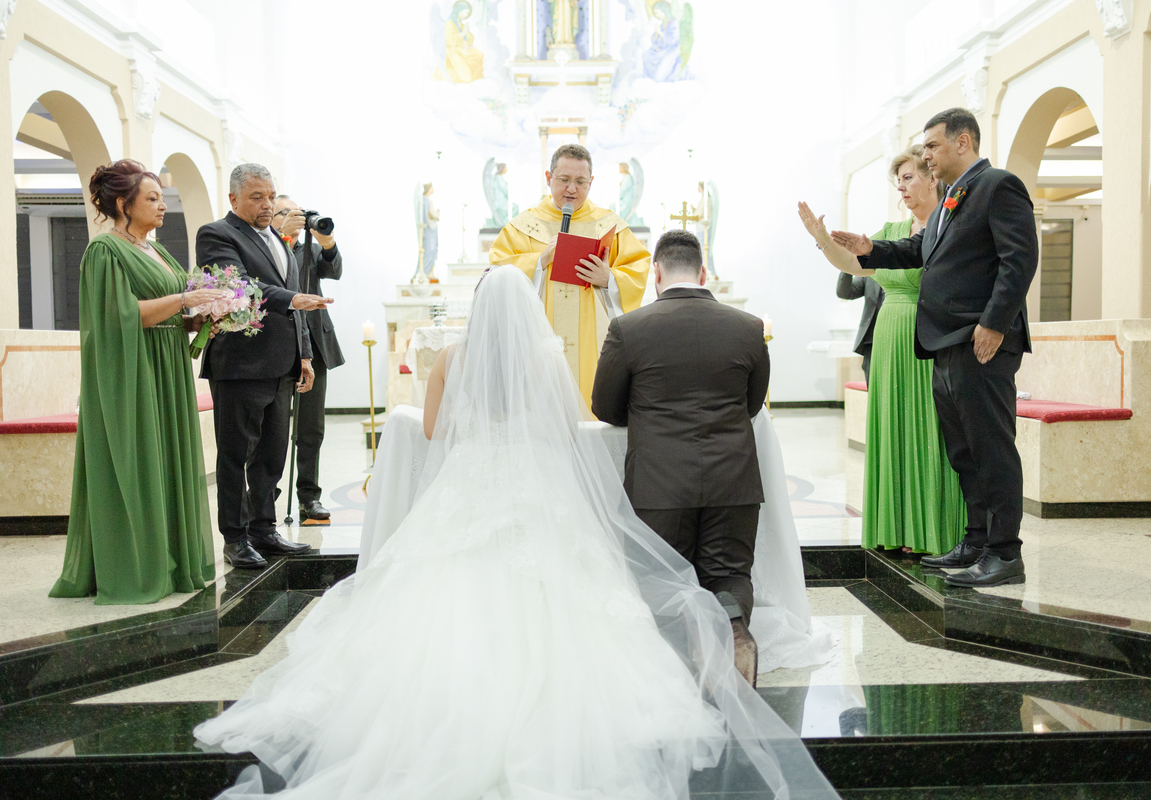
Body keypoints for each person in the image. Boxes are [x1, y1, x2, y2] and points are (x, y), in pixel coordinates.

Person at [194, 264, 837, 800]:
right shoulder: (543, 354)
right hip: (536, 490)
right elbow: (566, 428)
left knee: (440, 586)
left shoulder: (450, 354)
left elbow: (437, 433)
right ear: (527, 312)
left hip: (468, 488)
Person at [830, 108, 1038, 587]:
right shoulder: (950, 201)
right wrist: (869, 248)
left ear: (963, 142)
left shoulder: (997, 186)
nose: (926, 155)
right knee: (963, 450)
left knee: (992, 449)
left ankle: (1005, 553)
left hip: (980, 342)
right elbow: (916, 253)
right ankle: (976, 540)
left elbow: (1019, 260)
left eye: (932, 147)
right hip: (945, 344)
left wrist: (994, 324)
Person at [591, 230, 769, 686]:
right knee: (729, 570)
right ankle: (732, 628)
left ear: (656, 274)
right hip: (733, 478)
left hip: (660, 483)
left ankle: (679, 663)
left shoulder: (629, 329)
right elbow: (751, 405)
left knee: (663, 575)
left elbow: (605, 408)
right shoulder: (748, 327)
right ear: (703, 272)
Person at [50, 160, 224, 605]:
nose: (163, 205)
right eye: (152, 198)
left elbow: (165, 314)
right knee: (140, 457)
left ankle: (173, 557)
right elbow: (120, 317)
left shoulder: (158, 251)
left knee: (168, 457)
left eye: (162, 198)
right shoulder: (105, 251)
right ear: (123, 204)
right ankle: (135, 565)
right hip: (134, 369)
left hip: (166, 366)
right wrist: (185, 298)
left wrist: (197, 319)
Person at [800, 146, 967, 557]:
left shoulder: (950, 227)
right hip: (891, 339)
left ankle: (936, 532)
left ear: (932, 178)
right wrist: (822, 239)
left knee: (931, 431)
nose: (903, 187)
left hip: (929, 336)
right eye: (899, 180)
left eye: (909, 177)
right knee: (893, 430)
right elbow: (856, 266)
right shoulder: (893, 230)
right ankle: (899, 529)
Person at [196, 164, 333, 570]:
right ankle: (235, 538)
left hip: (281, 364)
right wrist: (292, 299)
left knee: (272, 456)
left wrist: (304, 356)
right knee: (236, 455)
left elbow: (296, 307)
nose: (267, 204)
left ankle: (264, 529)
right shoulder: (217, 234)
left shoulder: (277, 237)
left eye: (270, 196)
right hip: (239, 364)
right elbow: (237, 286)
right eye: (257, 197)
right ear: (234, 199)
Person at [489, 143, 650, 403]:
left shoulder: (610, 225)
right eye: (564, 180)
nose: (572, 189)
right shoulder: (522, 227)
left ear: (591, 182)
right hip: (537, 344)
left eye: (580, 181)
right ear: (548, 178)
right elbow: (497, 275)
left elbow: (638, 271)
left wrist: (608, 279)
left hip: (593, 344)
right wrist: (539, 261)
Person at [272, 195, 345, 521]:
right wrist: (283, 236)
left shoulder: (308, 248)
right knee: (270, 426)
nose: (293, 219)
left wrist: (326, 241)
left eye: (295, 213)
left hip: (313, 344)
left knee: (311, 428)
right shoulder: (269, 247)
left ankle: (308, 496)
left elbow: (333, 270)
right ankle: (265, 493)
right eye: (283, 213)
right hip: (276, 344)